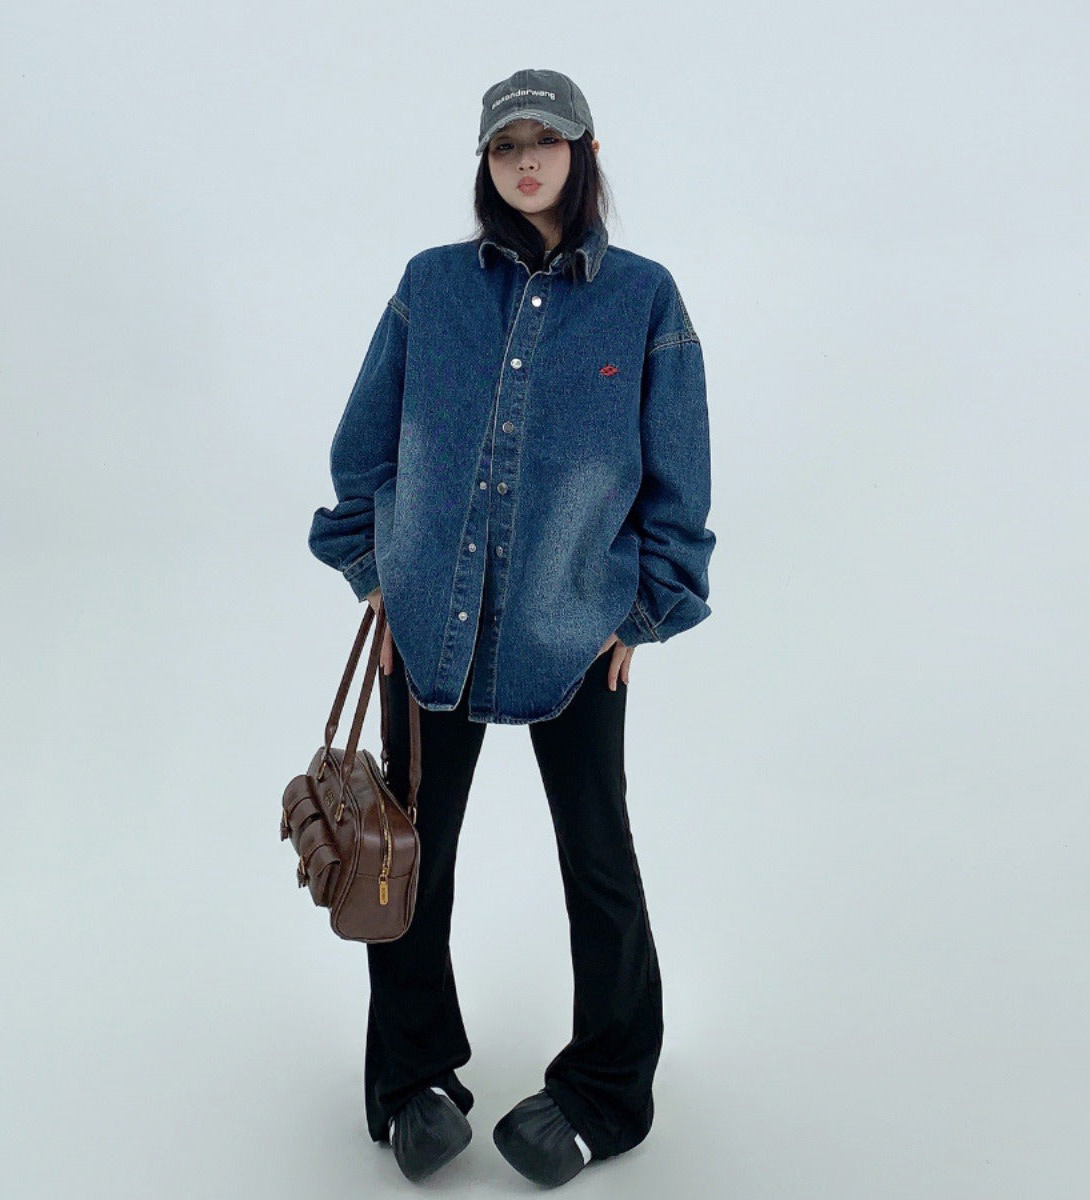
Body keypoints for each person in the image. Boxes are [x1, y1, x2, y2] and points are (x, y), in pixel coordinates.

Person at [308, 67, 716, 1187]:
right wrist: (373, 569)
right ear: (485, 164)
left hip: (574, 633)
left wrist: (645, 611)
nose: (526, 161)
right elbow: (364, 446)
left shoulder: (645, 299)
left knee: (599, 861)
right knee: (402, 862)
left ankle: (606, 1093)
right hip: (426, 628)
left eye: (546, 140)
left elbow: (679, 479)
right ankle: (411, 1082)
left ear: (586, 153)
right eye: (505, 145)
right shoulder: (430, 286)